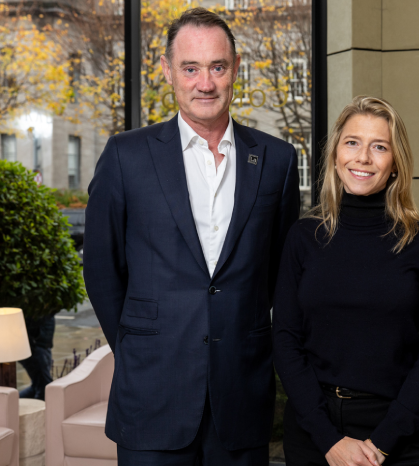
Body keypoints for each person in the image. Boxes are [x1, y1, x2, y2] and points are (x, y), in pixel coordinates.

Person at [84, 8, 300, 466]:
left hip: (241, 395)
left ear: (235, 68)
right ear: (167, 71)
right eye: (190, 68)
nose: (205, 83)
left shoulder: (277, 161)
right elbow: (102, 270)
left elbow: (279, 274)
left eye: (217, 67)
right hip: (151, 394)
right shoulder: (125, 156)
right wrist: (139, 346)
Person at [273, 96, 419, 466]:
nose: (363, 158)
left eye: (379, 147)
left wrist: (382, 444)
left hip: (397, 434)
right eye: (352, 142)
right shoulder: (304, 236)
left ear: (395, 163)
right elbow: (286, 340)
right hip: (314, 431)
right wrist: (330, 441)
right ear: (335, 155)